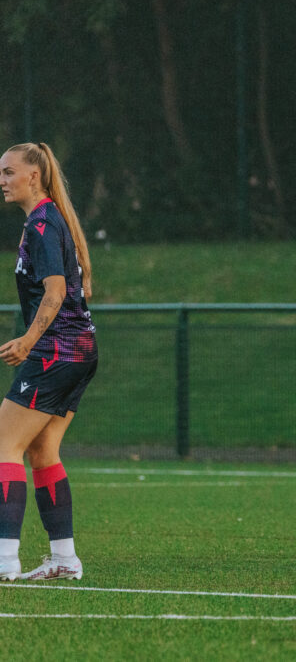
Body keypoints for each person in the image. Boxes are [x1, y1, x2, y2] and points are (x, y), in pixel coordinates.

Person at [0, 143, 98, 581]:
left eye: (8, 172)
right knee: (42, 450)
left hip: (56, 349)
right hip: (80, 350)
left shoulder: (41, 223)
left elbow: (56, 293)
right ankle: (64, 559)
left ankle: (4, 561)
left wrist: (27, 340)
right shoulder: (48, 220)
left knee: (3, 447)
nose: (2, 180)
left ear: (33, 177)